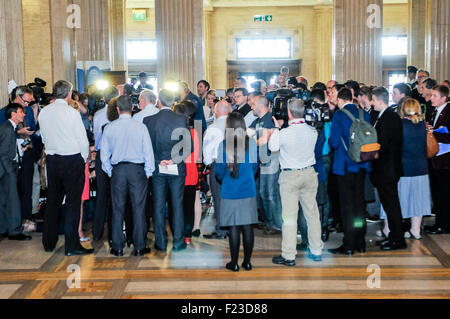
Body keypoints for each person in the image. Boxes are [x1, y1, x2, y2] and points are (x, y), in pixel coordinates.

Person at [38, 80, 93, 256]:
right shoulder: (71, 113)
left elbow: (44, 139)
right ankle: (71, 246)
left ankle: (48, 242)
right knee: (73, 204)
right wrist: (82, 158)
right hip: (72, 161)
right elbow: (82, 140)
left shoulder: (44, 112)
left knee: (53, 202)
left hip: (53, 161)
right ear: (69, 94)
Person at [270, 98, 323, 265]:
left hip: (290, 177)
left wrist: (277, 128)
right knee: (312, 214)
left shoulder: (284, 133)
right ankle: (316, 250)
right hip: (309, 173)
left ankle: (289, 255)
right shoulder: (312, 131)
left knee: (290, 217)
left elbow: (272, 148)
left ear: (289, 113)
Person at [101, 95, 155, 256]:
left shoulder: (110, 127)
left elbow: (104, 155)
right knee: (139, 209)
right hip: (137, 170)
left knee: (118, 209)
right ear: (132, 108)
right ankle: (139, 246)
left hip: (118, 170)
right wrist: (148, 172)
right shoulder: (140, 127)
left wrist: (111, 171)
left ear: (117, 109)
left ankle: (117, 247)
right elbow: (148, 152)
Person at [143, 89, 191, 252]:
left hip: (157, 167)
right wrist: (173, 160)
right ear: (173, 102)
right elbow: (187, 146)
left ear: (159, 101)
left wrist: (158, 161)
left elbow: (146, 147)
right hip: (175, 167)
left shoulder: (148, 120)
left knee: (158, 205)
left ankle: (161, 243)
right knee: (177, 204)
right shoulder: (181, 119)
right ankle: (178, 242)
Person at [379, 98, 431, 239]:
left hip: (403, 168)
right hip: (421, 168)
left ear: (402, 109)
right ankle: (415, 230)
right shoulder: (423, 125)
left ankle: (388, 228)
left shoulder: (400, 125)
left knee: (395, 200)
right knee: (418, 200)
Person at [328, 88, 371, 255]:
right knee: (359, 205)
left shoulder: (339, 115)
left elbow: (334, 142)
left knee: (347, 206)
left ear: (340, 100)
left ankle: (349, 243)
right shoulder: (363, 114)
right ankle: (360, 242)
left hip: (345, 165)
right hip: (361, 164)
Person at [215, 112, 259, 272]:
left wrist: (227, 178)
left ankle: (233, 263)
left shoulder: (223, 145)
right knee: (247, 227)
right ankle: (247, 262)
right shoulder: (252, 144)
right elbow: (255, 167)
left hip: (229, 190)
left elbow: (219, 171)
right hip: (248, 189)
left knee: (233, 228)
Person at [371, 87, 406, 251]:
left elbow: (384, 144)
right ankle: (393, 236)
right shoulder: (385, 116)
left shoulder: (389, 117)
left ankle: (398, 239)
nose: (372, 103)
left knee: (392, 205)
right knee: (389, 204)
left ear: (379, 100)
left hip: (388, 169)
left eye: (373, 100)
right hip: (386, 169)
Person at [248, 96, 282, 235]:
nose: (251, 107)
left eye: (253, 104)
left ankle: (277, 224)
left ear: (261, 105)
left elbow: (264, 141)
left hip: (271, 160)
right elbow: (246, 135)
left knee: (271, 194)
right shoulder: (257, 121)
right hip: (262, 161)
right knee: (264, 193)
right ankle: (269, 222)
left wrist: (254, 140)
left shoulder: (269, 118)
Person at [0, 104, 32, 241]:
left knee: (4, 200)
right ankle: (14, 231)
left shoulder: (9, 128)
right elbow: (3, 155)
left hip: (6, 170)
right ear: (13, 114)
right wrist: (11, 172)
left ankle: (4, 229)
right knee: (13, 201)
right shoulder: (8, 129)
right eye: (21, 112)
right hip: (7, 171)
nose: (24, 114)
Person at [92, 86, 119, 242]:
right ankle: (114, 233)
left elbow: (97, 139)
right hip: (116, 155)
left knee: (101, 196)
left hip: (102, 155)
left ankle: (97, 232)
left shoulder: (97, 114)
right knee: (116, 196)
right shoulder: (118, 113)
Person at [203, 100, 233, 240]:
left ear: (216, 111)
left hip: (219, 164)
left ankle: (222, 229)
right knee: (231, 197)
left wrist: (207, 164)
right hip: (236, 164)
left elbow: (207, 150)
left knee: (218, 198)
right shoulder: (236, 125)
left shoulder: (213, 127)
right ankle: (232, 227)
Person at [172, 101, 199, 244]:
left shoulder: (173, 132)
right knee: (189, 205)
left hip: (176, 170)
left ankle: (178, 233)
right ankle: (187, 235)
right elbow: (198, 156)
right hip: (191, 170)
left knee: (176, 205)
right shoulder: (194, 132)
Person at [425, 85, 450, 234]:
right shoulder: (435, 111)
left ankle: (445, 224)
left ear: (443, 98)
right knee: (437, 194)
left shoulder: (448, 112)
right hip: (435, 160)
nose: (431, 98)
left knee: (445, 194)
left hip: (445, 161)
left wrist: (433, 132)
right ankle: (438, 222)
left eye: (434, 96)